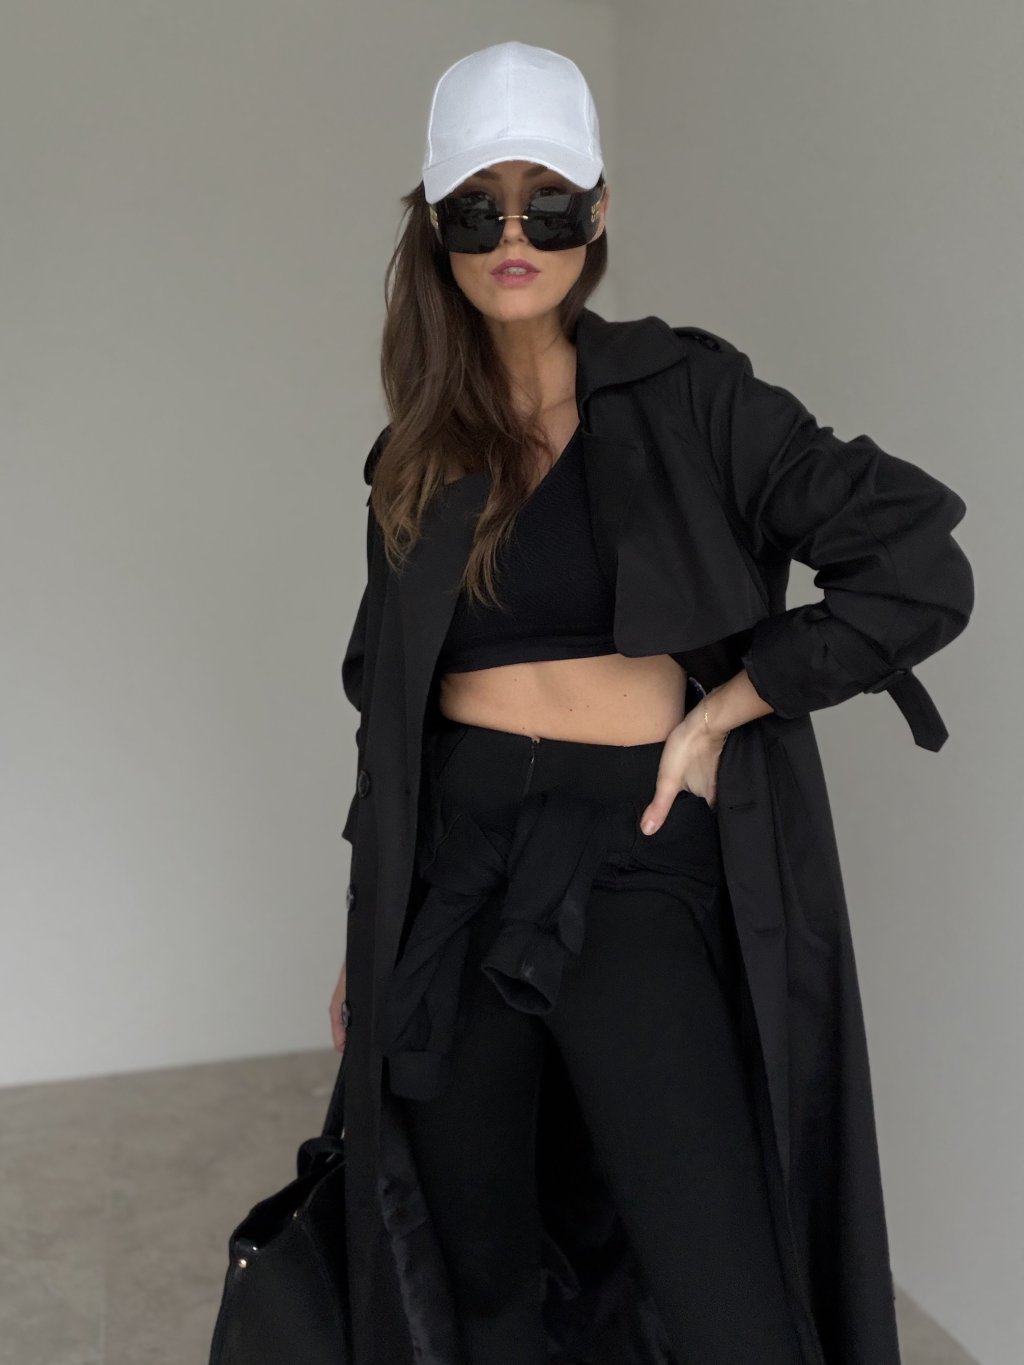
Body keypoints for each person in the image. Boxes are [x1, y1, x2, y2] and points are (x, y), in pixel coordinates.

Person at [329, 40, 973, 1365]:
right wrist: (368, 922)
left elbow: (915, 561)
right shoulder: (415, 454)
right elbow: (385, 712)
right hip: (455, 866)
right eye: (478, 208)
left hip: (631, 851)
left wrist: (735, 700)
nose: (515, 236)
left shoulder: (689, 393)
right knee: (474, 1273)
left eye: (548, 201)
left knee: (723, 1288)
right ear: (437, 225)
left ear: (599, 209)